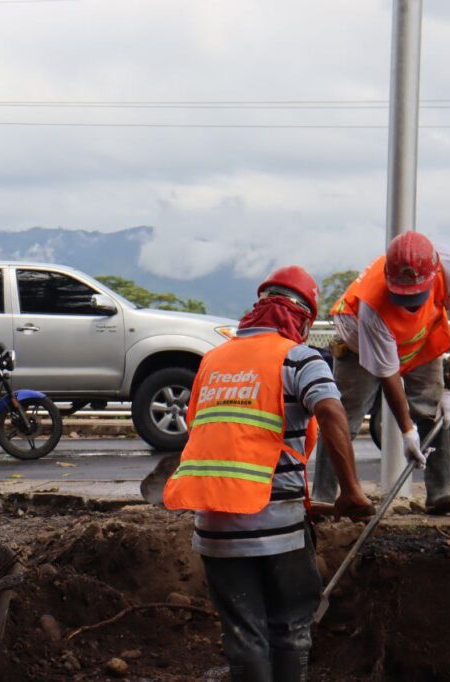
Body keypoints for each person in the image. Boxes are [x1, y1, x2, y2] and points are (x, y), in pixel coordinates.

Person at [164, 266, 372, 682]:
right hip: (278, 526)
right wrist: (350, 491)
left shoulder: (211, 361)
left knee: (243, 637)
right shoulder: (297, 357)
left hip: (214, 529)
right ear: (304, 320)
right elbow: (331, 410)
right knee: (291, 631)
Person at [315, 231, 450, 515]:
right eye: (404, 296)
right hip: (358, 343)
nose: (410, 302)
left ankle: (439, 493)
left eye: (417, 295)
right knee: (341, 418)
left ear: (433, 271)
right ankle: (324, 498)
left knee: (433, 409)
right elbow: (389, 374)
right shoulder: (372, 305)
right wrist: (407, 431)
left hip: (421, 337)